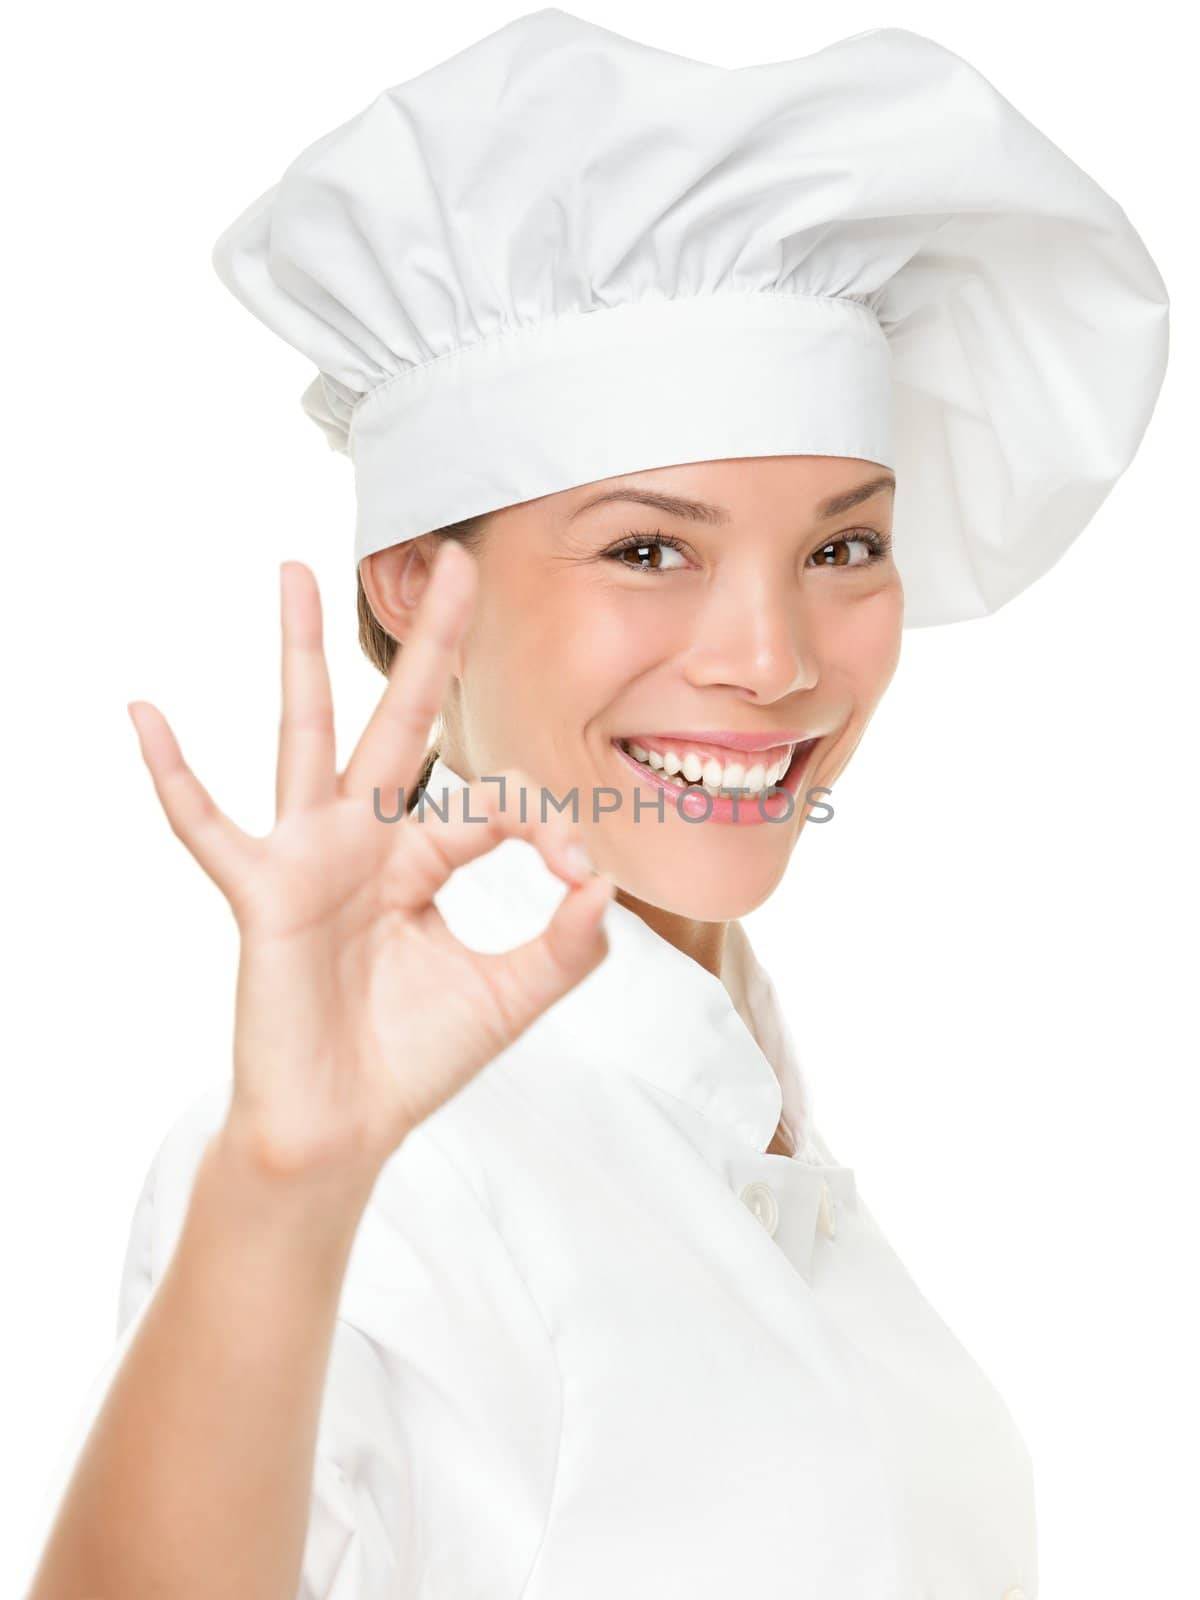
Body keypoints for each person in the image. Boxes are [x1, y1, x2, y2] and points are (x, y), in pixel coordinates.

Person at [26, 11, 1168, 1599]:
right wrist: (286, 1187)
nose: (773, 664)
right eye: (650, 550)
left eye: (844, 546)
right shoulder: (378, 1164)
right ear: (422, 578)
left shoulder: (744, 1126)